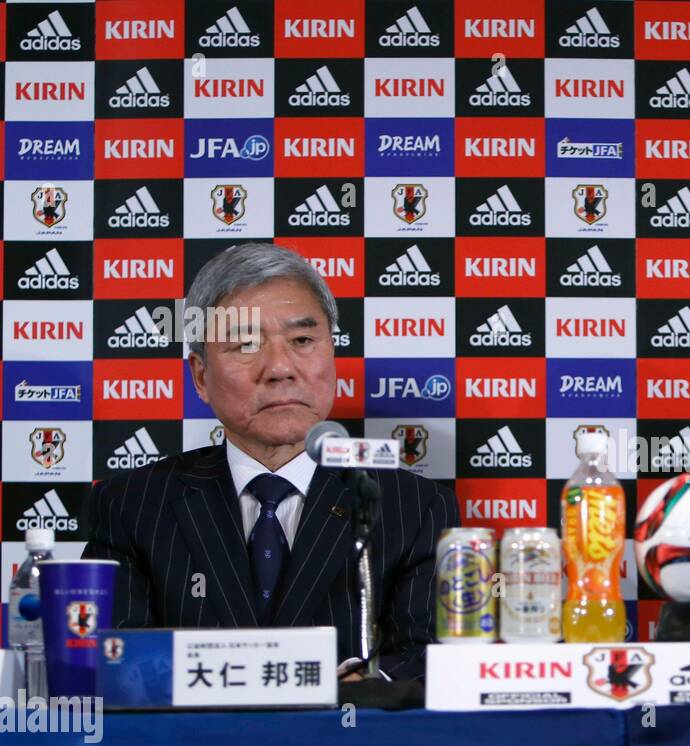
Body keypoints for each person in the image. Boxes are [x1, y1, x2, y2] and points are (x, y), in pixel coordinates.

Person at [83, 243, 458, 681]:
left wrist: (365, 686)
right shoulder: (133, 504)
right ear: (201, 376)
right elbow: (115, 661)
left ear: (331, 353)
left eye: (302, 340)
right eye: (245, 343)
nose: (280, 368)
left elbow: (431, 656)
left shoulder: (413, 505)